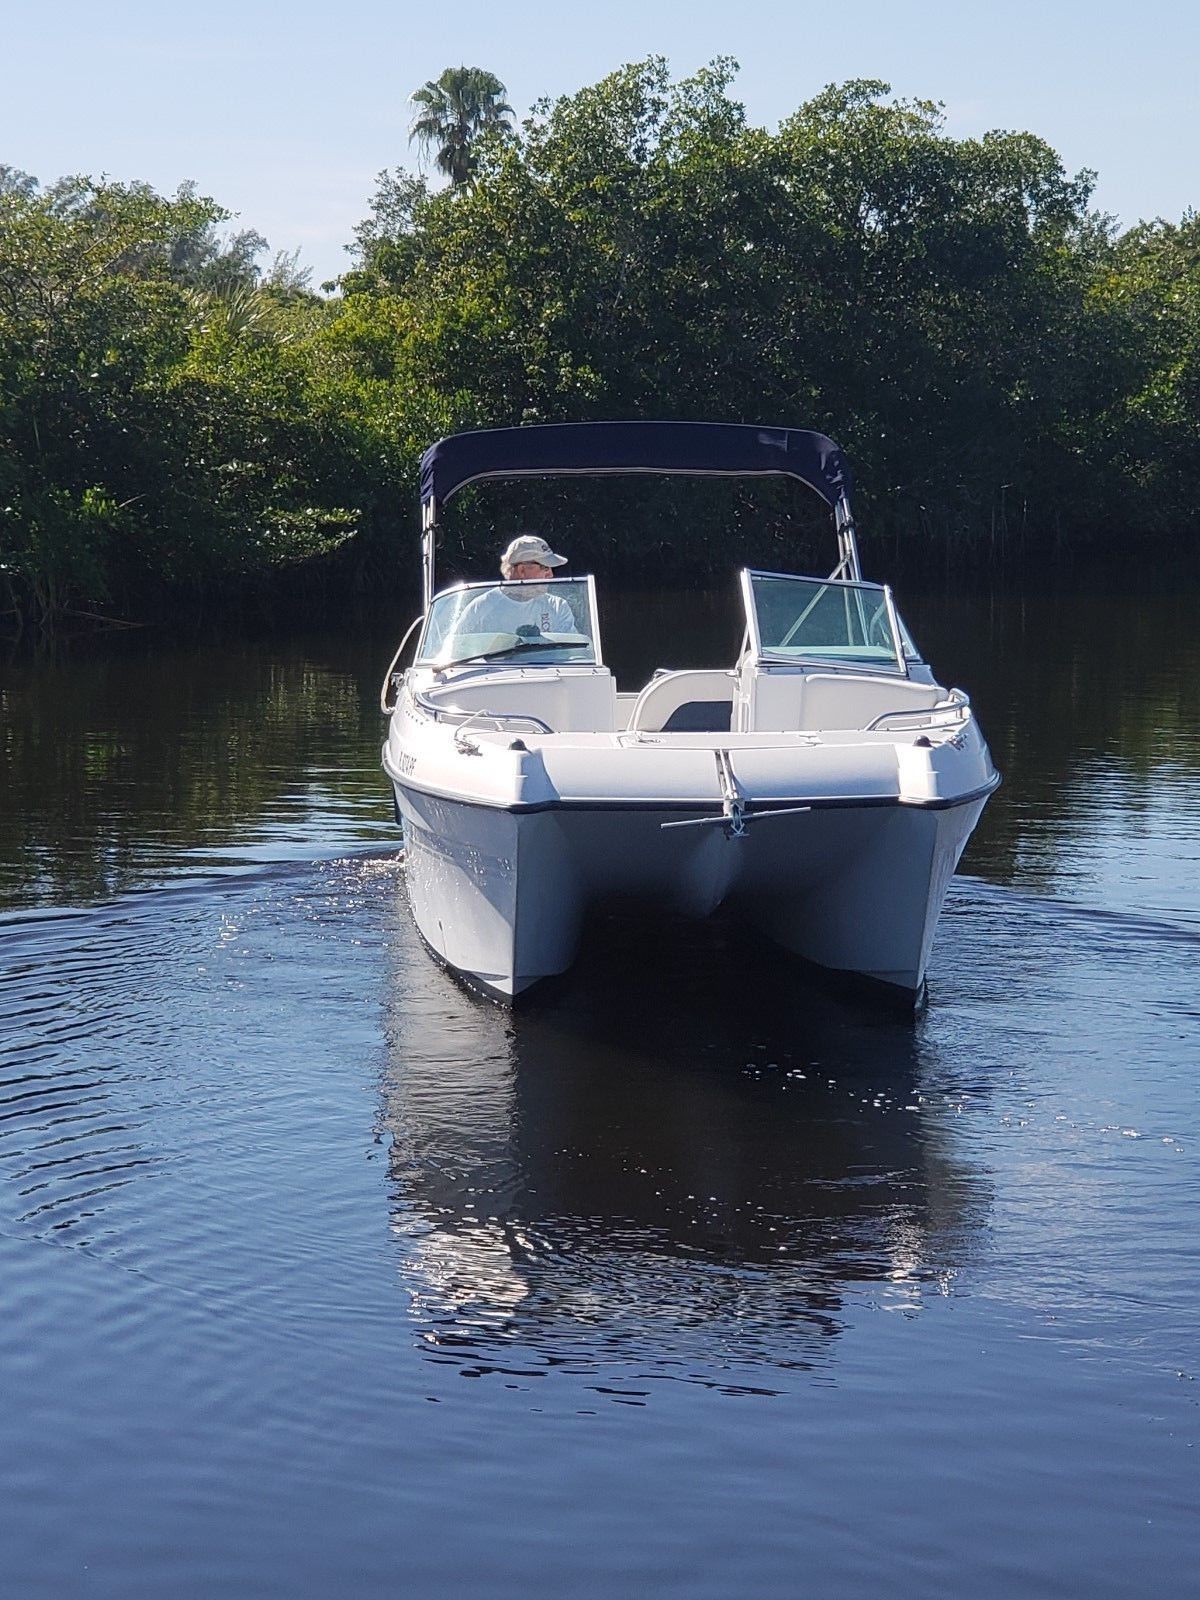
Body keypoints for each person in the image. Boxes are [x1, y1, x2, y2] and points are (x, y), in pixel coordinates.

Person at [452, 534, 577, 639]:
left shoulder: (557, 607)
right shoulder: (481, 608)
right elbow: (456, 650)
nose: (551, 575)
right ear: (522, 570)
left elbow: (575, 653)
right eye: (545, 567)